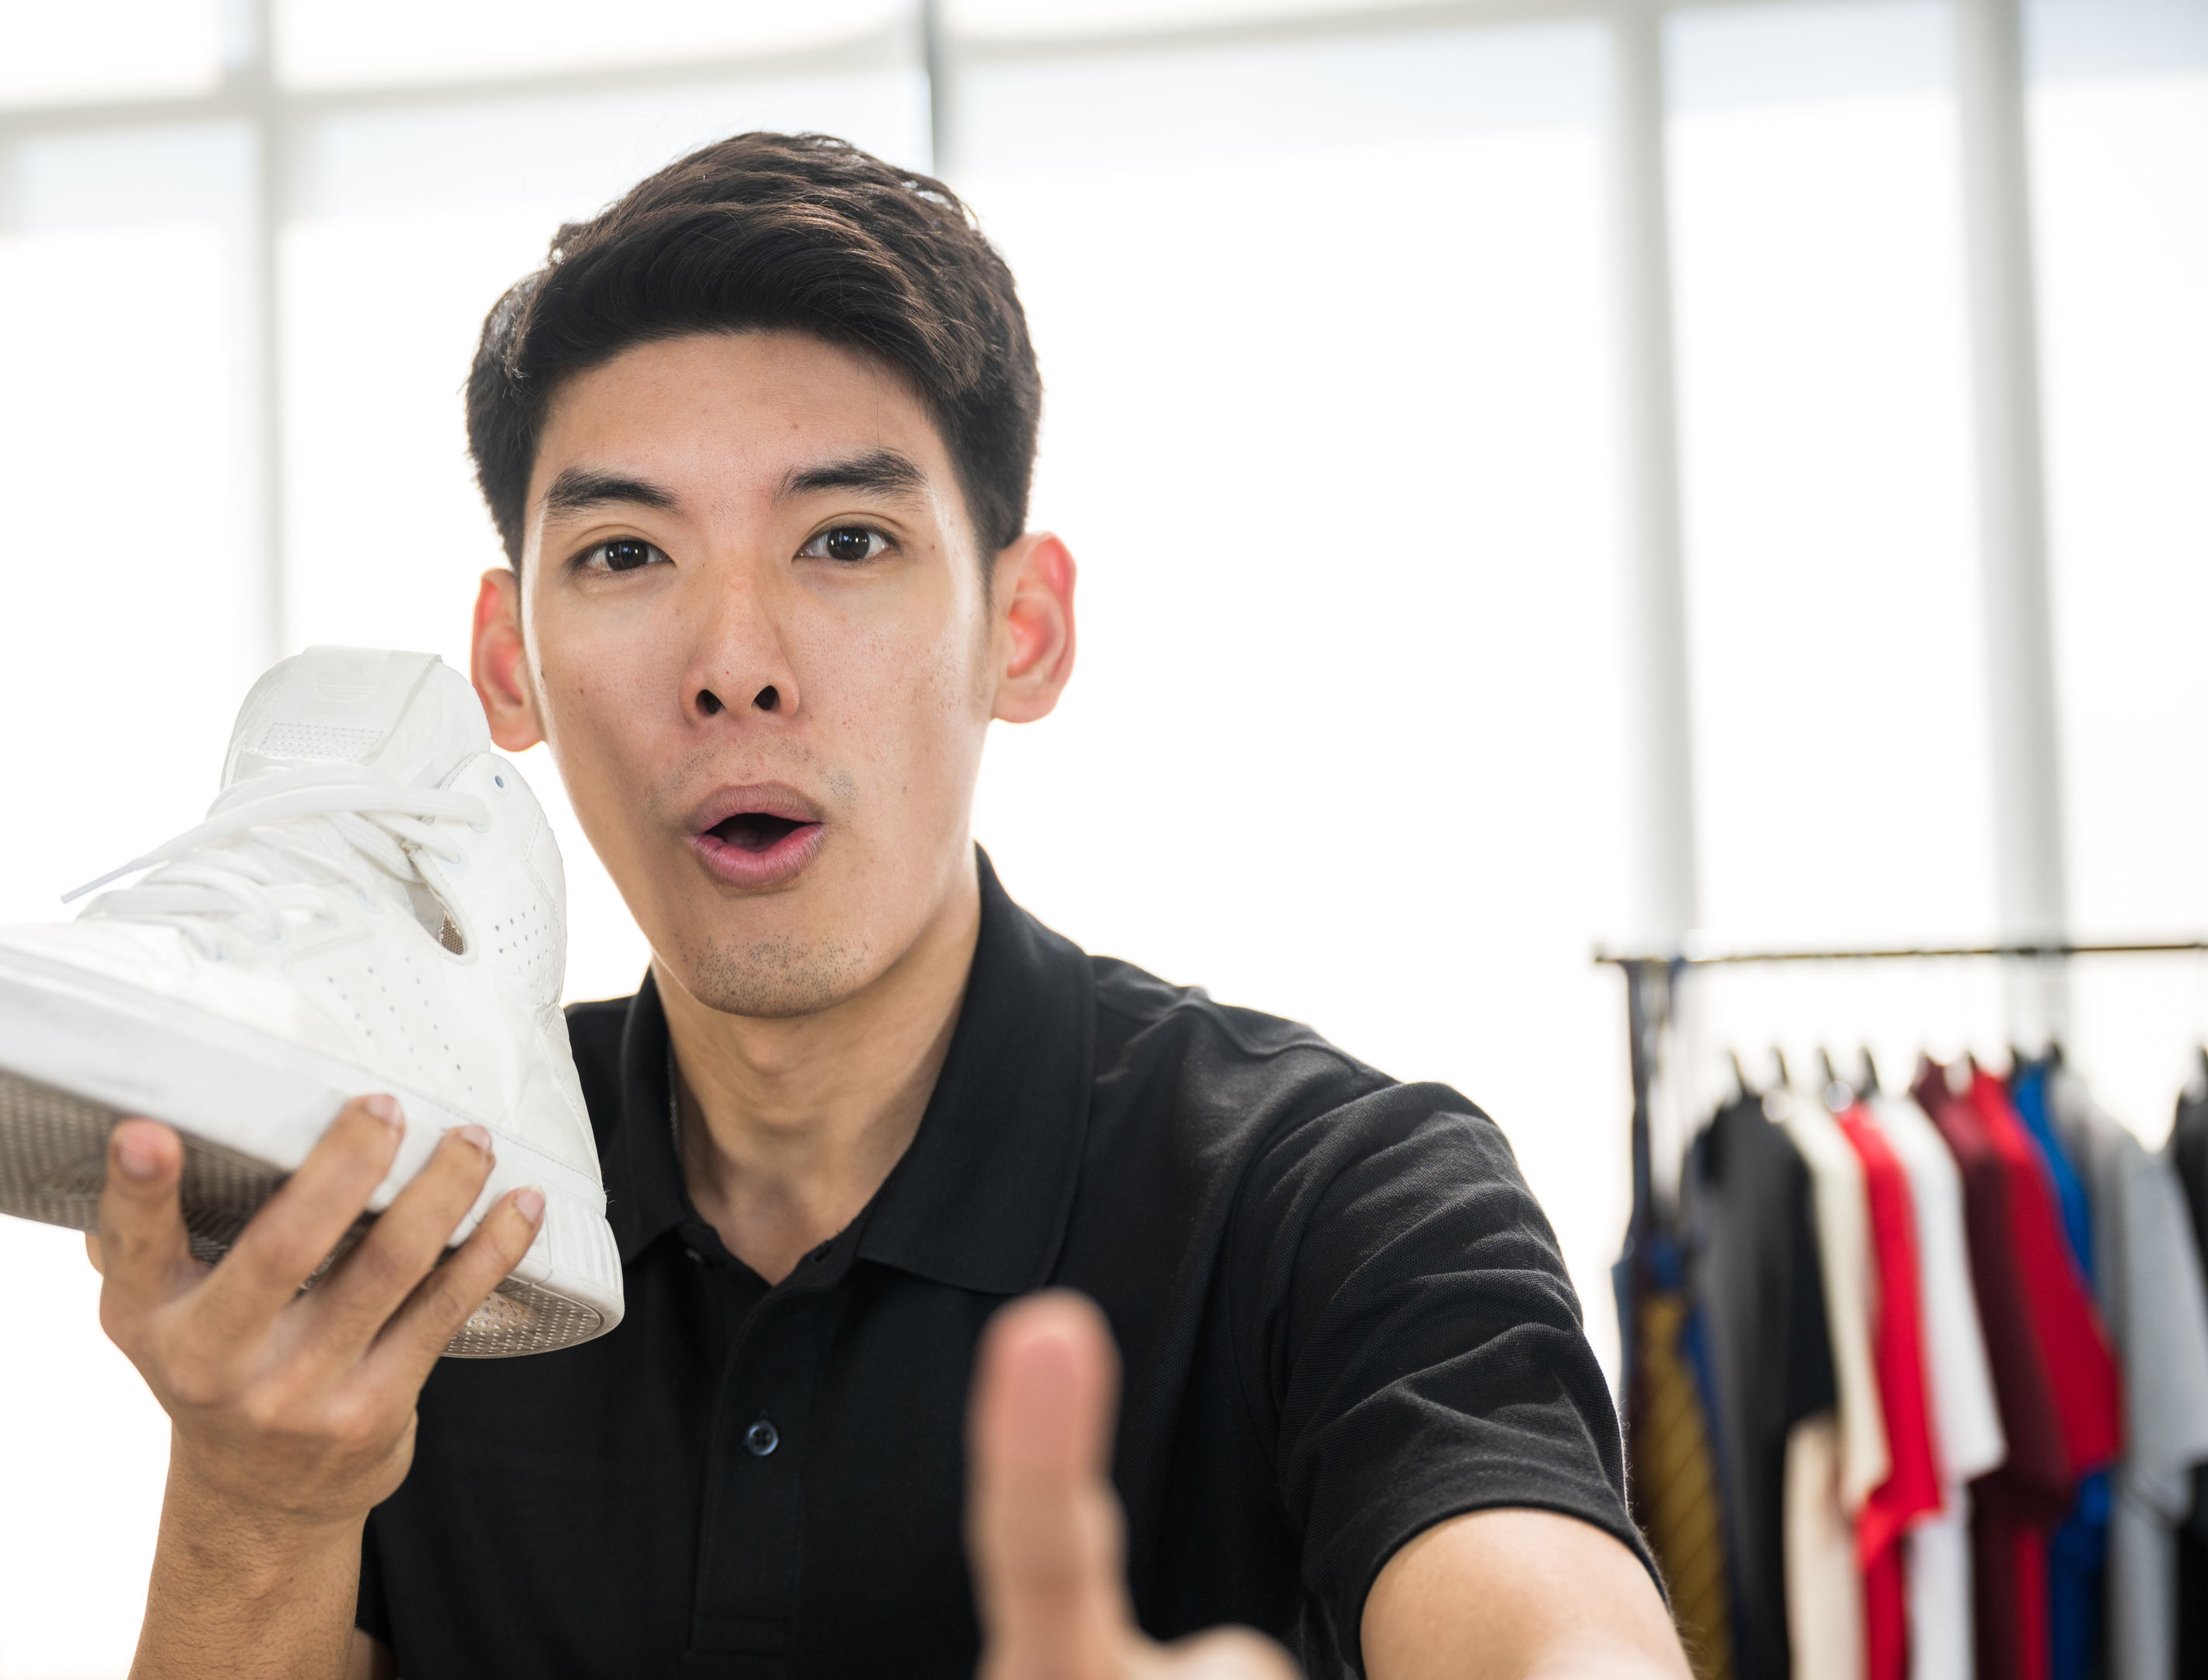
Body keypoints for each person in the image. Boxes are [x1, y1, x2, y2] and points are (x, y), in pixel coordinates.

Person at [85, 131, 1686, 1680]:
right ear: (512, 664)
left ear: (1025, 628)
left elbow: (1553, 1635)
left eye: (846, 541)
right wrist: (256, 1505)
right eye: (626, 554)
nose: (734, 663)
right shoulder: (407, 1199)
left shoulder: (1344, 1199)